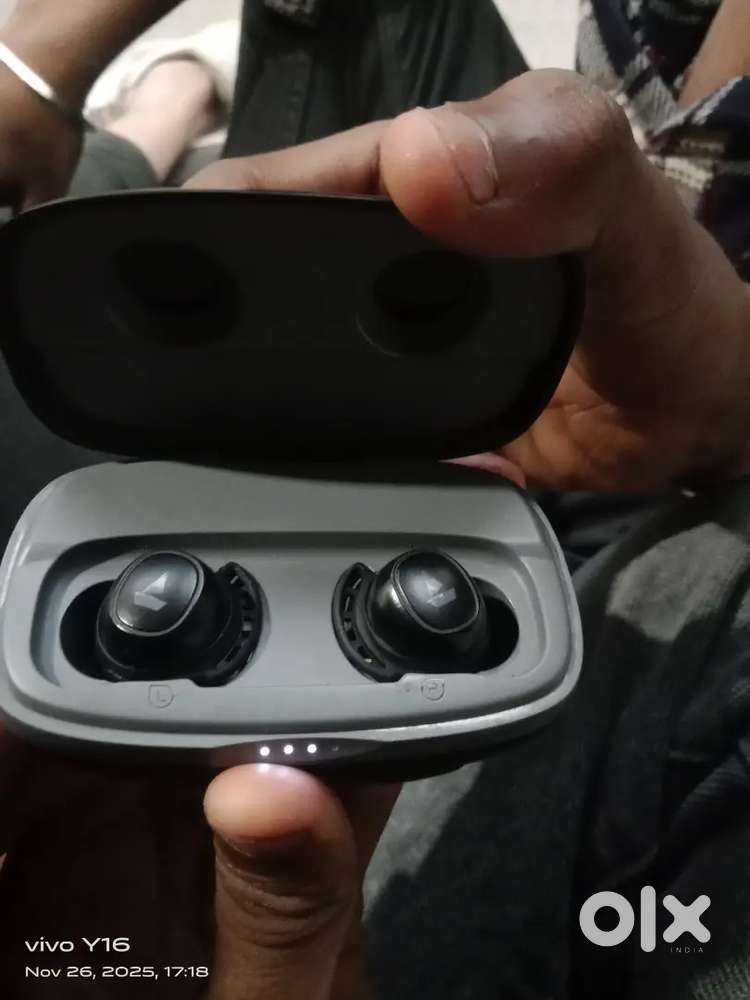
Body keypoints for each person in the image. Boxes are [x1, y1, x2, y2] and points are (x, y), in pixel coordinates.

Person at [0, 1, 749, 998]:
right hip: (571, 450)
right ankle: (158, 114)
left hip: (558, 488)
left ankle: (152, 119)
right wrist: (727, 401)